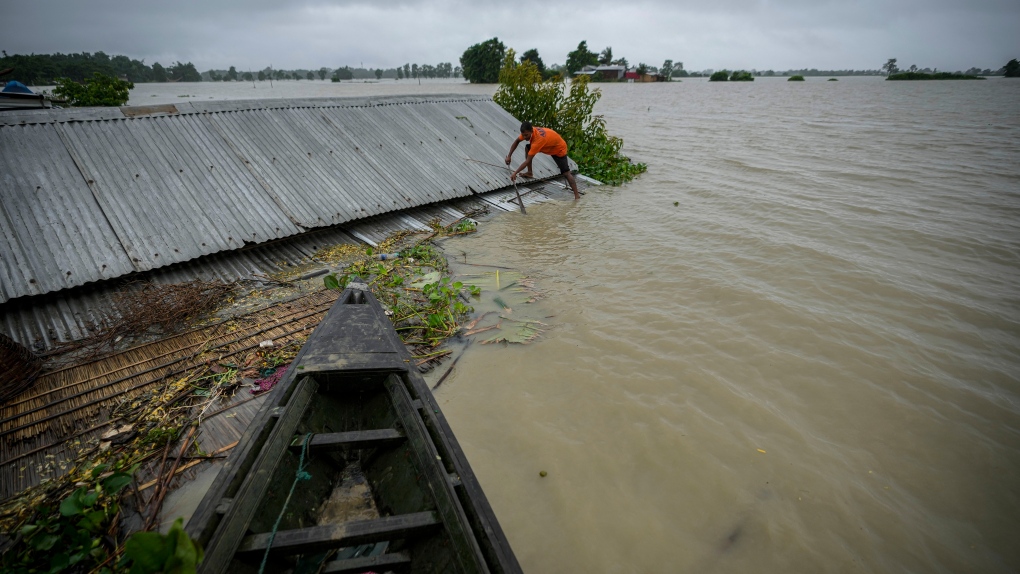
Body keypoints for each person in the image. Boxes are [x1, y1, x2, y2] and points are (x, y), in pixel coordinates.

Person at [505, 121, 581, 200]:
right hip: (549, 144)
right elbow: (517, 141)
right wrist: (509, 156)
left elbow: (527, 161)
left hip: (559, 148)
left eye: (526, 135)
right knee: (528, 147)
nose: (525, 138)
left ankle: (577, 196)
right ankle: (529, 172)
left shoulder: (538, 140)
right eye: (523, 135)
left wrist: (515, 173)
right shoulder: (528, 131)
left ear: (531, 131)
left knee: (566, 173)